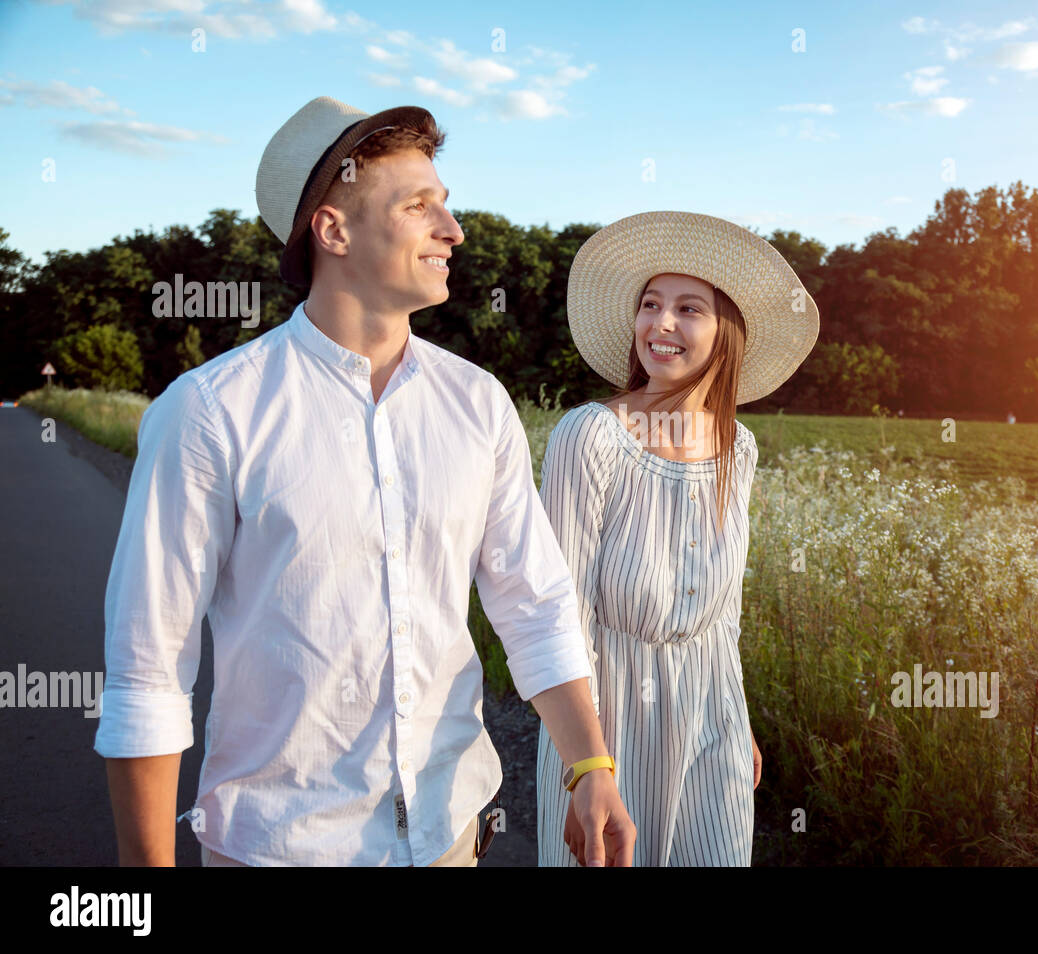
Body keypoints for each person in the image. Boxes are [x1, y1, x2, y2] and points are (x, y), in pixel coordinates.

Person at [94, 96, 635, 867]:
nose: (453, 231)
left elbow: (534, 603)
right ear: (334, 230)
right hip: (281, 848)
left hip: (453, 835)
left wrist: (590, 766)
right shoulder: (210, 413)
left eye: (445, 207)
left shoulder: (478, 403)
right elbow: (147, 674)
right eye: (420, 207)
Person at [535, 211, 820, 865]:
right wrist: (586, 763)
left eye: (688, 308)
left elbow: (725, 617)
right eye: (650, 305)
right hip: (607, 719)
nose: (660, 324)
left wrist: (736, 716)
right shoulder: (589, 436)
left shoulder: (737, 449)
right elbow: (559, 614)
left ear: (728, 334)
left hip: (711, 714)